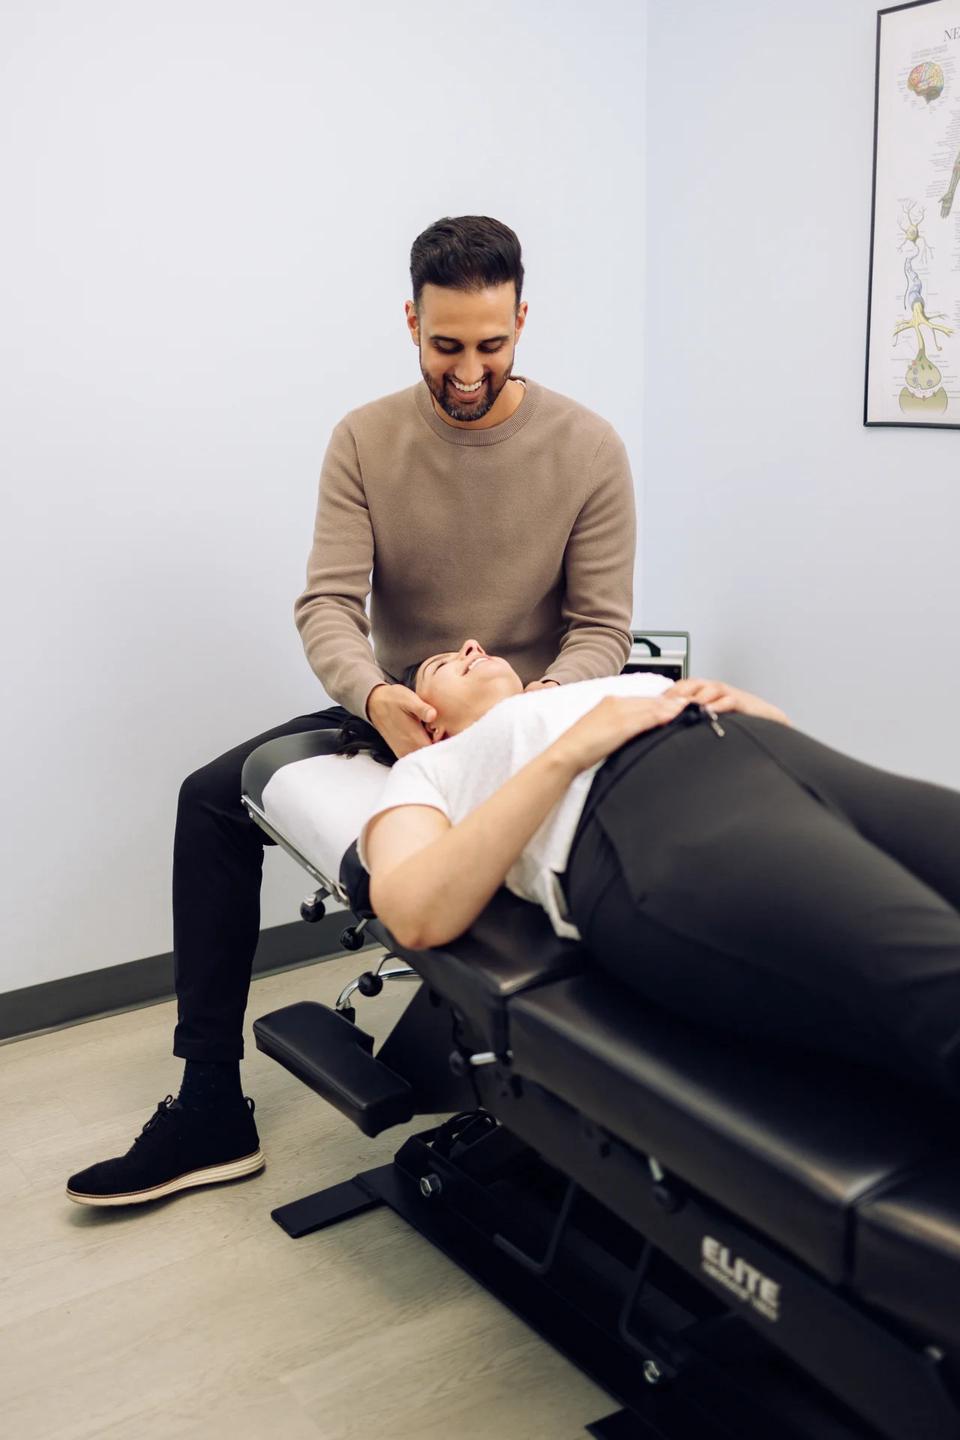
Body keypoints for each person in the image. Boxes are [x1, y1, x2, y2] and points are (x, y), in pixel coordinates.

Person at [67, 217, 637, 1207]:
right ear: (411, 322)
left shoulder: (588, 448)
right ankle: (209, 1107)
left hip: (523, 727)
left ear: (522, 322)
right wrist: (376, 694)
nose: (470, 371)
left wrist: (523, 714)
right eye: (446, 345)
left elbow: (601, 631)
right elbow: (328, 605)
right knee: (210, 799)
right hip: (398, 712)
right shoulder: (366, 440)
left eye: (492, 344)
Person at [360, 638, 960, 1100]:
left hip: (779, 758)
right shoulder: (431, 767)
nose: (472, 646)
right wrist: (568, 753)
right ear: (427, 722)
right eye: (442, 662)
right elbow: (413, 911)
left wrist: (759, 713)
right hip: (660, 819)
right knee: (938, 973)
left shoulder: (603, 688)